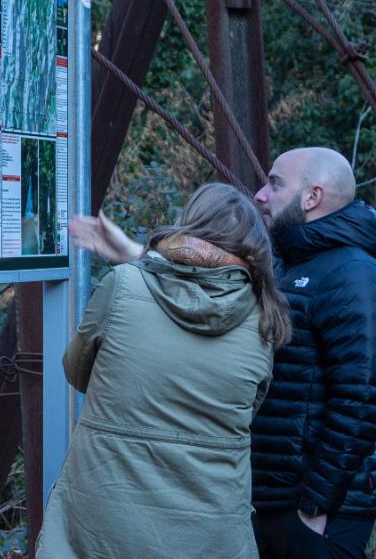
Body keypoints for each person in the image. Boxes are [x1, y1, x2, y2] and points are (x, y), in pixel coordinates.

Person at [35, 183, 290, 559]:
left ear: (189, 224)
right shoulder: (264, 318)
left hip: (106, 515)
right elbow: (246, 409)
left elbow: (76, 372)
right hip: (209, 529)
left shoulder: (124, 284)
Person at [248, 147, 376, 559]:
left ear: (312, 197)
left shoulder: (354, 274)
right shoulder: (290, 265)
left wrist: (315, 506)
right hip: (272, 501)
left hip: (317, 512)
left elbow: (360, 402)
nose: (260, 194)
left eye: (275, 183)